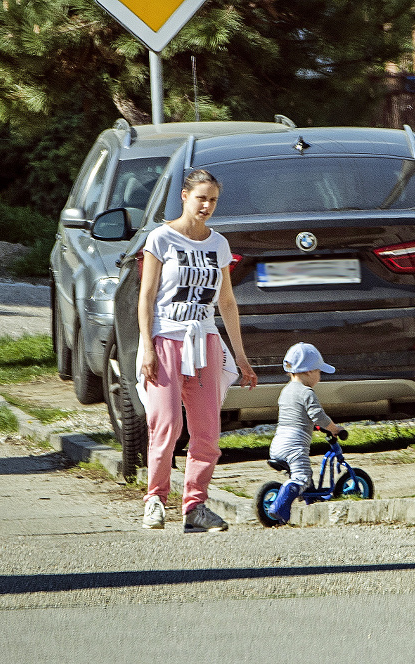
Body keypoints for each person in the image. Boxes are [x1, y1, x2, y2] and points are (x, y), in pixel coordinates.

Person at [137, 169, 257, 533]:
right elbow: (146, 296)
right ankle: (155, 500)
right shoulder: (161, 239)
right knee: (167, 424)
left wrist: (240, 356)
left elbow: (228, 302)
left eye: (213, 200)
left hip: (204, 342)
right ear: (184, 196)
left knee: (207, 431)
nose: (207, 205)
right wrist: (147, 346)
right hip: (165, 340)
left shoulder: (217, 244)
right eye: (201, 197)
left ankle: (195, 507)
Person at [266, 342, 342, 524]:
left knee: (304, 473)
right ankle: (279, 508)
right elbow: (318, 416)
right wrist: (334, 428)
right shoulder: (307, 392)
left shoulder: (285, 391)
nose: (319, 376)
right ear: (308, 371)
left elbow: (298, 415)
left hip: (278, 443)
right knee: (301, 477)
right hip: (294, 445)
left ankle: (311, 500)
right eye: (318, 372)